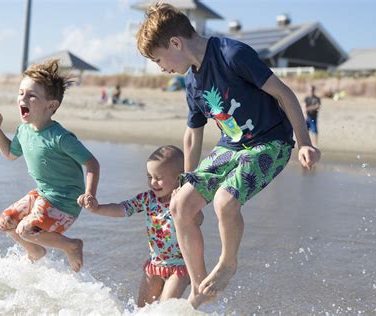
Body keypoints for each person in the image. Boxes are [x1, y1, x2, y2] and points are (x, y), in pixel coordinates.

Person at [136, 3, 321, 308]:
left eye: (159, 59)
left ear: (175, 43)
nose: (161, 68)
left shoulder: (232, 54)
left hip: (270, 142)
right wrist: (186, 180)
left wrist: (303, 142)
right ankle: (198, 288)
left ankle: (228, 263)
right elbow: (192, 133)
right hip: (231, 146)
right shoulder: (192, 81)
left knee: (225, 200)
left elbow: (284, 94)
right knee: (180, 204)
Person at [0, 59, 100, 272]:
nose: (23, 98)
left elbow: (92, 163)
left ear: (51, 105)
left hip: (65, 203)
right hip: (43, 195)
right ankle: (36, 252)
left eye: (31, 95)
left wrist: (90, 194)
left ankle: (71, 245)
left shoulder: (60, 137)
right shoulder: (24, 130)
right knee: (7, 221)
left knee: (26, 228)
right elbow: (11, 154)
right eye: (21, 93)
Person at [85, 145, 200, 307]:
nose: (153, 182)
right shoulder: (148, 199)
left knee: (164, 310)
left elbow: (198, 221)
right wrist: (97, 208)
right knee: (142, 309)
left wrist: (179, 204)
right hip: (154, 265)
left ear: (177, 178)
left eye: (158, 177)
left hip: (180, 268)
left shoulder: (183, 201)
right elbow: (122, 208)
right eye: (149, 176)